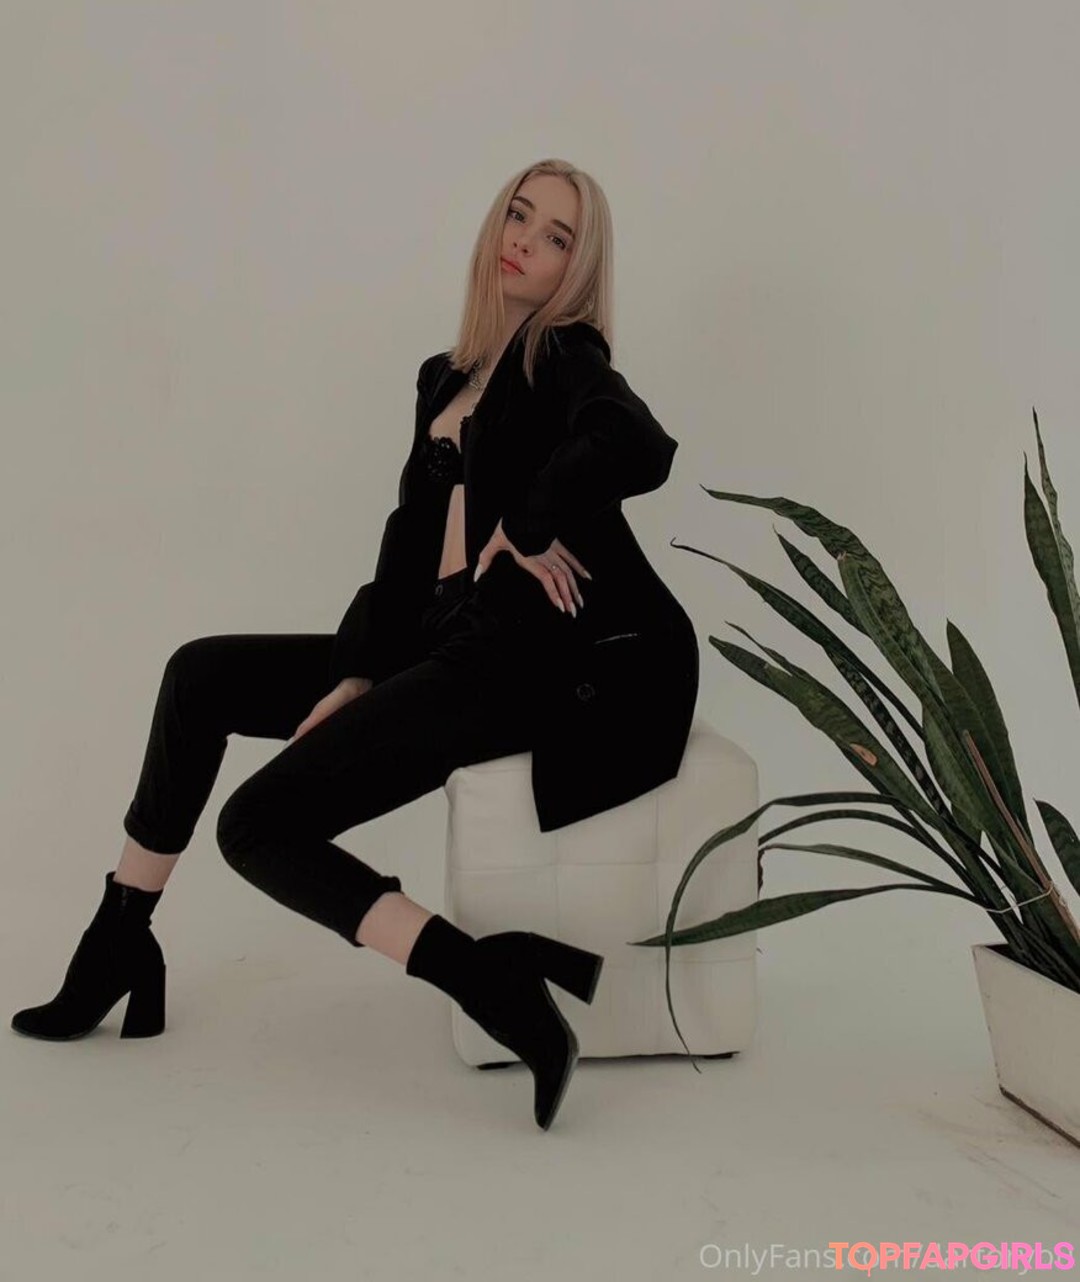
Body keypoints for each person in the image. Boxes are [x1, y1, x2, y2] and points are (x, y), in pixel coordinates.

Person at [10, 158, 699, 1131]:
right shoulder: (447, 376)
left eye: (557, 237)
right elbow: (410, 539)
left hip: (532, 659)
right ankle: (122, 934)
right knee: (200, 675)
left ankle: (488, 980)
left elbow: (636, 440)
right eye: (519, 215)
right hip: (442, 631)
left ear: (577, 269)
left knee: (257, 826)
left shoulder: (564, 354)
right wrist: (357, 670)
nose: (526, 242)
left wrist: (530, 521)